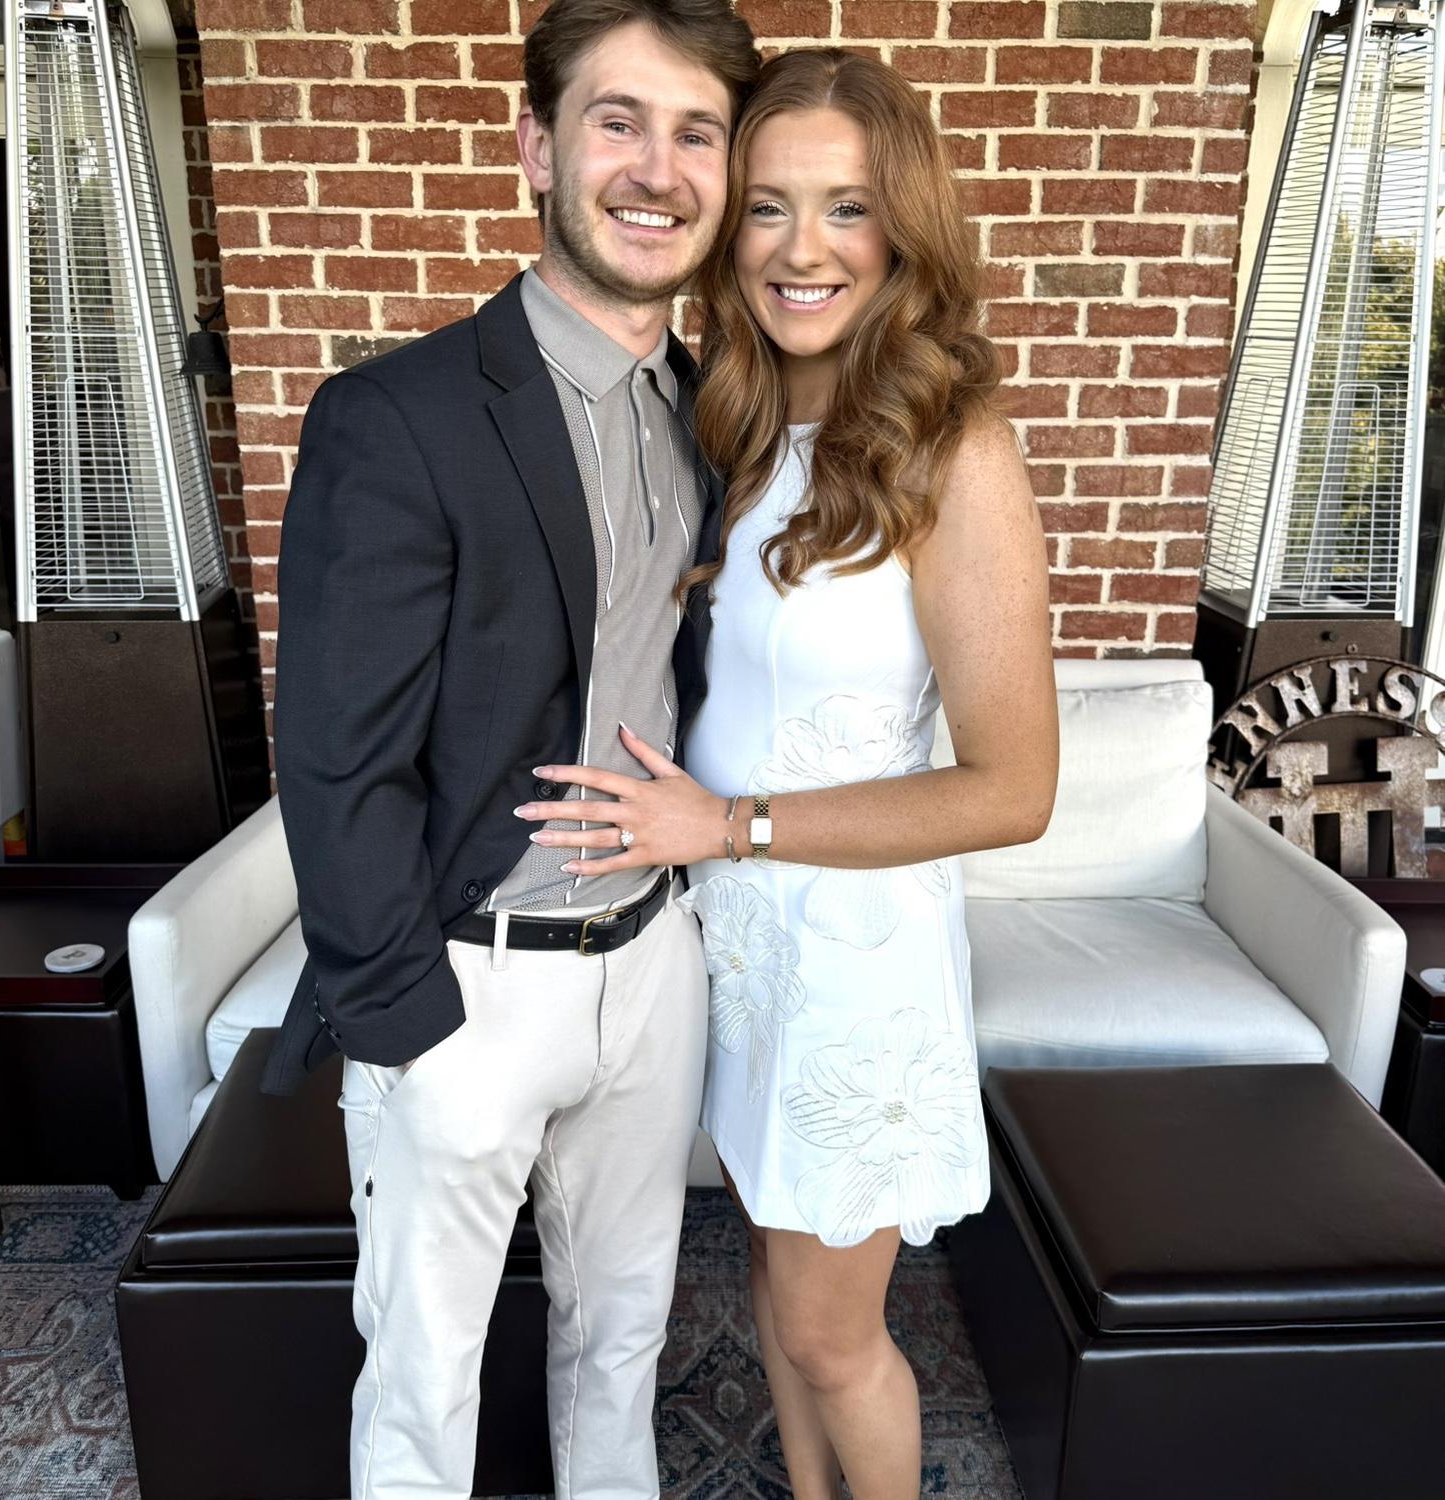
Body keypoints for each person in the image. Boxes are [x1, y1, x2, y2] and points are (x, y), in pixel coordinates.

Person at [517, 48, 1058, 1498]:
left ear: (906, 231)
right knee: (771, 1280)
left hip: (852, 966)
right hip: (737, 948)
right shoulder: (740, 428)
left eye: (847, 208)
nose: (801, 249)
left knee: (833, 1337)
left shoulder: (954, 449)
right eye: (767, 206)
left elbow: (1013, 790)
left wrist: (725, 824)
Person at [259, 2, 759, 1496]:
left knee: (622, 1342)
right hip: (468, 984)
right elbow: (335, 758)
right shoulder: (395, 416)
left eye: (697, 133)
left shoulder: (715, 414)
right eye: (618, 122)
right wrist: (408, 1023)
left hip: (652, 969)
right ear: (537, 146)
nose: (658, 168)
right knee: (425, 1381)